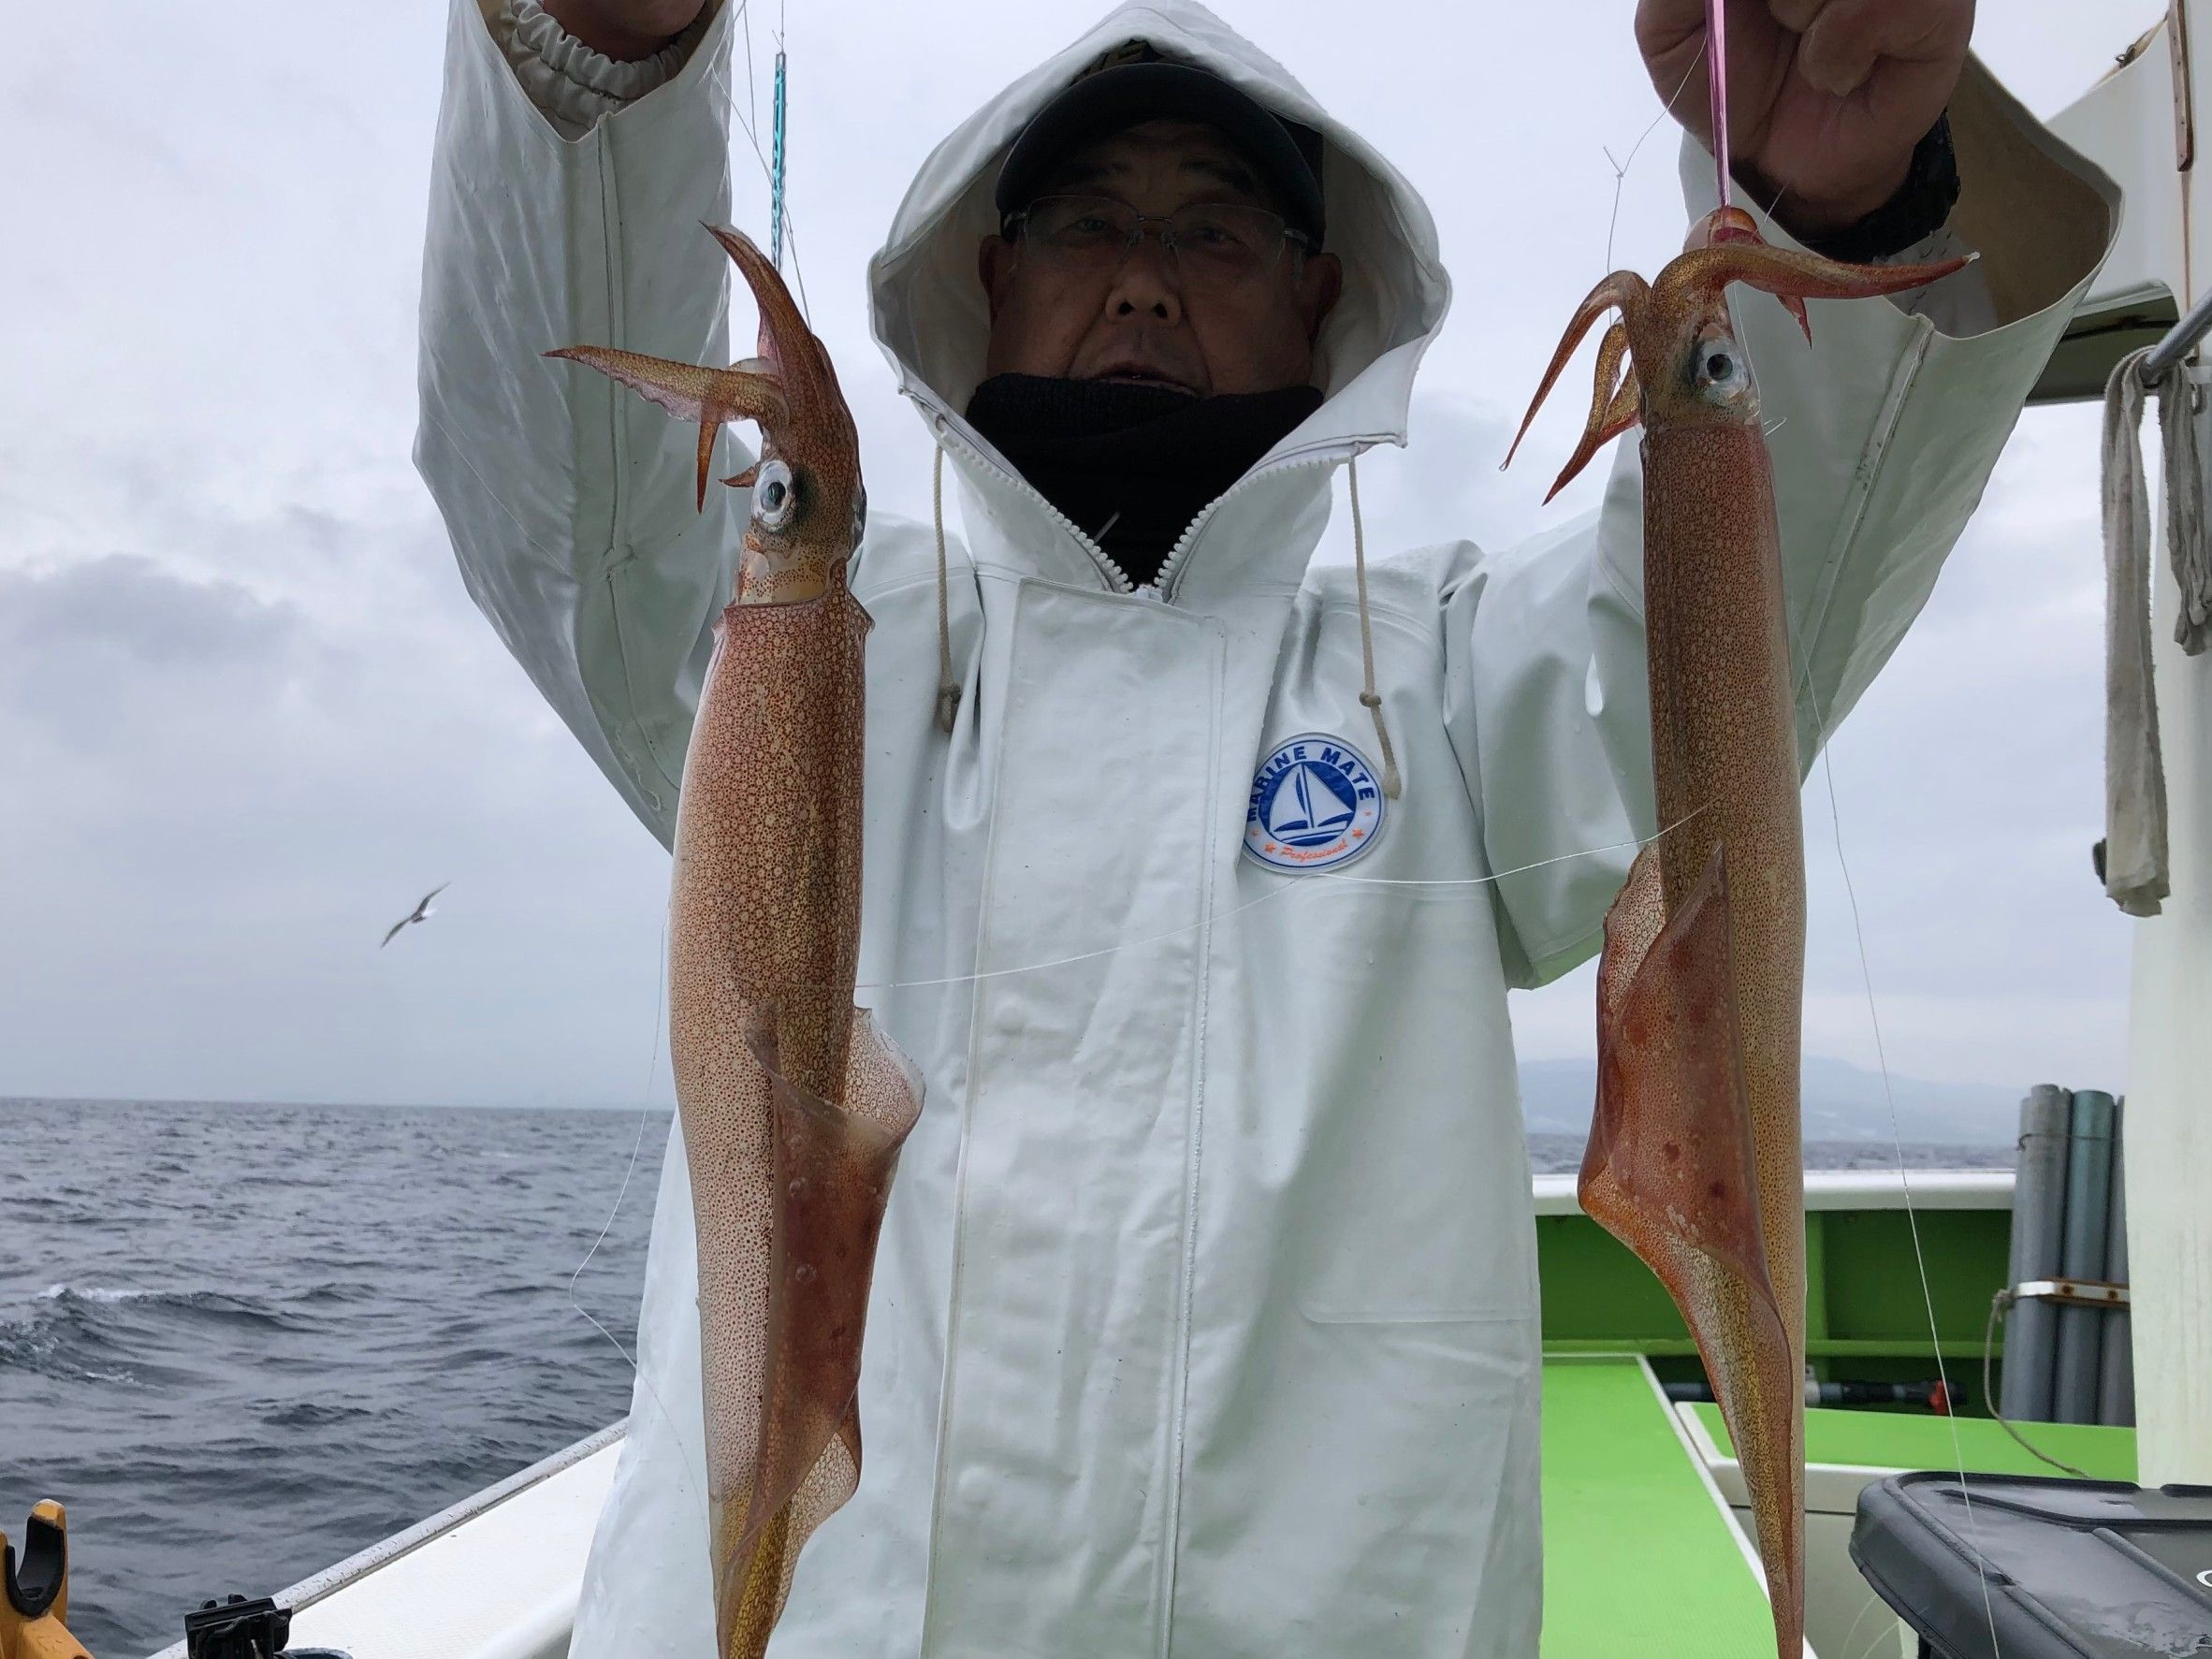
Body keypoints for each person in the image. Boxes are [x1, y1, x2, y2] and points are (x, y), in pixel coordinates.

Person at [415, 1, 2116, 1652]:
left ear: (1324, 301)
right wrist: (602, 51)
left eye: (1218, 229)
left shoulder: (1440, 683)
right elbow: (576, 502)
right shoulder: (801, 651)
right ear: (985, 277)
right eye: (1085, 219)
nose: (1145, 275)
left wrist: (1826, 210)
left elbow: (1723, 638)